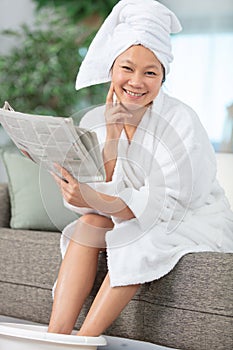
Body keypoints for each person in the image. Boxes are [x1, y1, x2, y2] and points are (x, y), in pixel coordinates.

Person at [48, 0, 233, 337]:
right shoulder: (102, 119)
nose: (136, 81)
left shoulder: (181, 120)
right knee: (88, 223)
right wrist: (112, 138)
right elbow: (104, 191)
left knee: (136, 239)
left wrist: (92, 195)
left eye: (151, 72)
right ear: (111, 70)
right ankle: (56, 335)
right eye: (127, 68)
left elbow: (158, 207)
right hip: (135, 212)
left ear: (163, 77)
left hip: (191, 218)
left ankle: (84, 340)